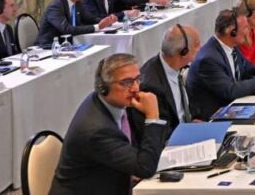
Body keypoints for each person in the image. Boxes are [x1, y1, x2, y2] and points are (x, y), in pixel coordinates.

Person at [49, 53, 168, 194]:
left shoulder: (108, 102)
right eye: (126, 82)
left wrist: (136, 164)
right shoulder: (97, 130)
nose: (136, 88)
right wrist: (153, 116)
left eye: (137, 79)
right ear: (103, 87)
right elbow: (145, 168)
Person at [186, 10, 255, 120]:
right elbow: (230, 90)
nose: (248, 32)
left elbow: (248, 67)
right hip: (214, 117)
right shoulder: (209, 59)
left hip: (233, 107)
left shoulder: (232, 46)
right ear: (231, 31)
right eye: (245, 28)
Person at [140, 25, 201, 132]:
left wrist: (195, 120)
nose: (201, 48)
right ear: (184, 51)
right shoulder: (151, 85)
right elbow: (162, 130)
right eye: (197, 45)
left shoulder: (178, 67)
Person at [37, 0, 117, 45]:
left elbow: (89, 19)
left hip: (71, 43)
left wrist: (106, 21)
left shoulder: (78, 3)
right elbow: (67, 29)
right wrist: (97, 27)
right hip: (49, 46)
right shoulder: (55, 6)